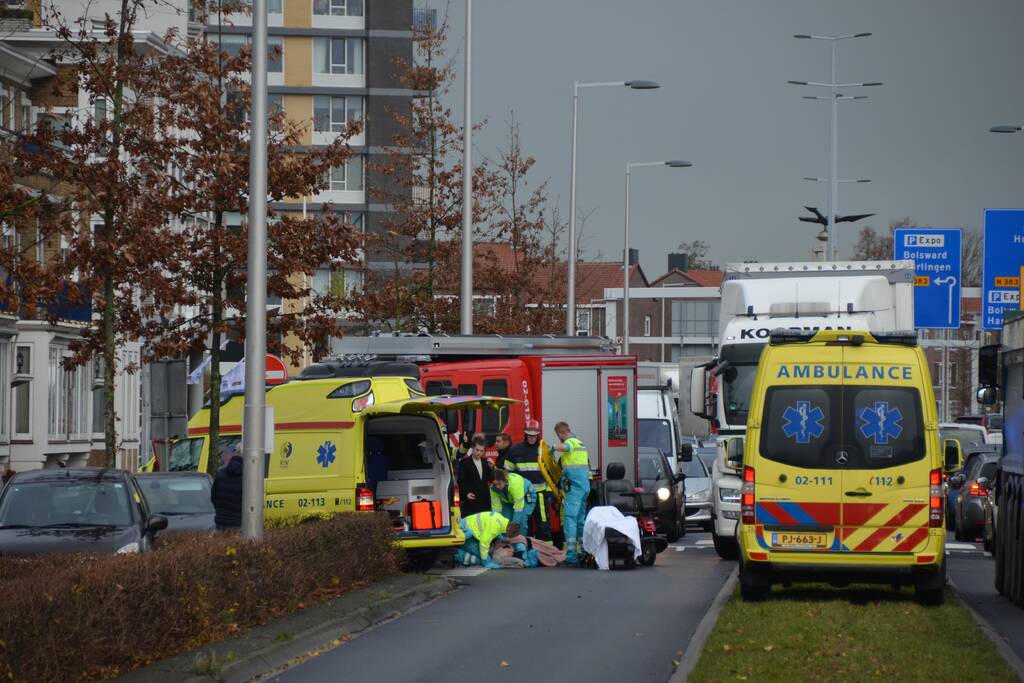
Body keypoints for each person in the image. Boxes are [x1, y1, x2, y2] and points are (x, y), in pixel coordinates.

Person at [497, 419, 552, 539]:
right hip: (522, 495)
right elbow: (507, 473)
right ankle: (525, 550)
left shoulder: (544, 449)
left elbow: (550, 472)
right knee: (524, 526)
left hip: (540, 495)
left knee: (543, 525)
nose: (532, 438)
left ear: (538, 435)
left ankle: (547, 553)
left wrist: (550, 491)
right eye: (529, 435)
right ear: (525, 434)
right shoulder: (515, 450)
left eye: (534, 435)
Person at [553, 421, 590, 564]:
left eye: (558, 435)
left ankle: (571, 555)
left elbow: (564, 447)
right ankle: (584, 551)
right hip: (583, 487)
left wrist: (553, 447)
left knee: (570, 519)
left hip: (575, 489)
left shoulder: (571, 442)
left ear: (562, 433)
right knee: (580, 521)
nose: (559, 439)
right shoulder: (581, 444)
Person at [455, 510, 521, 569]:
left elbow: (493, 529)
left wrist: (501, 538)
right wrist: (486, 561)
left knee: (482, 553)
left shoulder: (501, 519)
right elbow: (484, 544)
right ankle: (455, 553)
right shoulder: (494, 528)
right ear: (508, 530)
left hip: (465, 526)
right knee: (480, 555)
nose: (507, 536)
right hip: (464, 534)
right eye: (508, 535)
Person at [489, 468, 536, 550]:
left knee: (521, 521)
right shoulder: (493, 489)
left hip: (525, 496)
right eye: (495, 484)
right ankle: (508, 547)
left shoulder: (515, 484)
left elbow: (518, 508)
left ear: (504, 480)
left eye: (499, 484)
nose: (497, 487)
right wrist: (497, 524)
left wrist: (515, 524)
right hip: (509, 500)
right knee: (505, 522)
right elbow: (496, 509)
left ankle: (521, 547)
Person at [456, 434, 493, 517]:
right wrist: (466, 493)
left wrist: (491, 468)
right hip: (471, 500)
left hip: (484, 501)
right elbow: (461, 481)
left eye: (482, 451)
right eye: (477, 450)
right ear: (472, 448)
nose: (479, 453)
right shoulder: (464, 462)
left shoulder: (486, 462)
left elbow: (491, 480)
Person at [210, 442, 243, 530]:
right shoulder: (248, 478)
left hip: (221, 521)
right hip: (237, 522)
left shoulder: (221, 473)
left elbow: (213, 497)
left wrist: (220, 512)